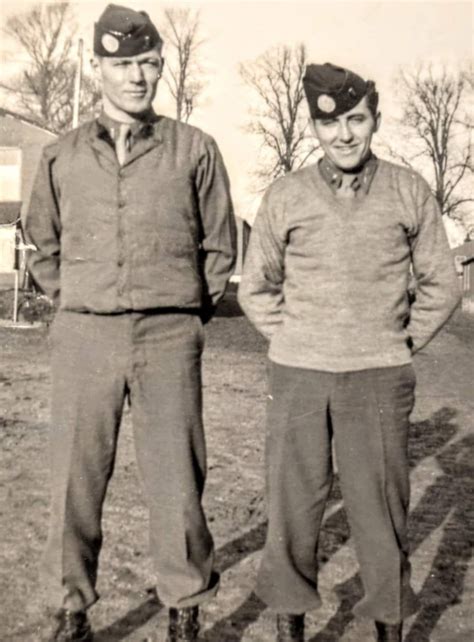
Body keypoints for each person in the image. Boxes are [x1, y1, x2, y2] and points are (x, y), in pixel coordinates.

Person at [23, 5, 236, 641]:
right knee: (74, 477)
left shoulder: (195, 149)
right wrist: (78, 298)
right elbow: (44, 244)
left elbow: (221, 249)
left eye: (147, 63)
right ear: (97, 69)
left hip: (169, 334)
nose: (136, 77)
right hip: (85, 333)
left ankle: (183, 607)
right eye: (122, 65)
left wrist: (183, 312)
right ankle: (73, 610)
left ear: (161, 65)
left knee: (176, 476)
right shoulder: (61, 156)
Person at [238, 62, 460, 642]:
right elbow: (255, 286)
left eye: (356, 121)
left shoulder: (409, 189)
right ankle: (291, 626)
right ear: (314, 126)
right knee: (293, 506)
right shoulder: (286, 196)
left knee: (380, 511)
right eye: (328, 123)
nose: (343, 135)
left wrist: (402, 341)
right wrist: (290, 337)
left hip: (379, 378)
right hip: (298, 376)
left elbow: (443, 283)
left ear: (374, 121)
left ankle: (387, 626)